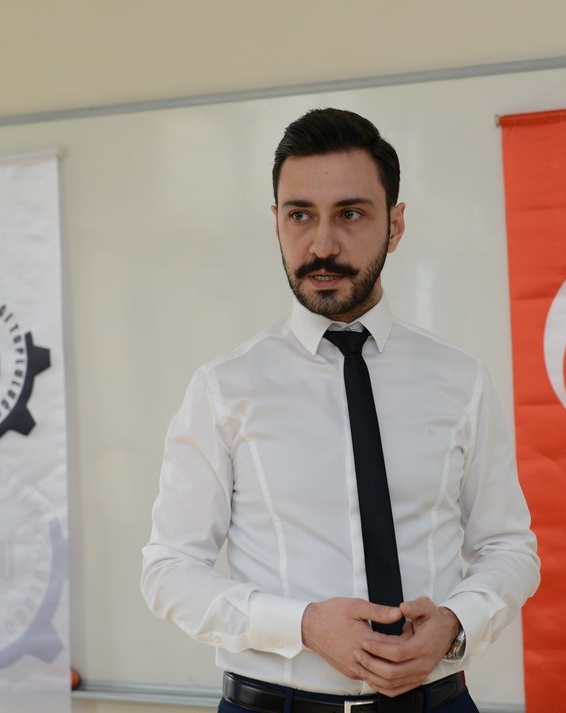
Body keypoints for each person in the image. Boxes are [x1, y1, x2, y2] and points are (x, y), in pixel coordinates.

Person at [141, 108, 539, 713]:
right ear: (276, 222)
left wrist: (456, 622)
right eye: (300, 215)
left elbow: (509, 547)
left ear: (395, 225)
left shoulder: (460, 380)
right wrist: (300, 624)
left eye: (350, 214)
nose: (322, 245)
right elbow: (168, 570)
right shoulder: (224, 388)